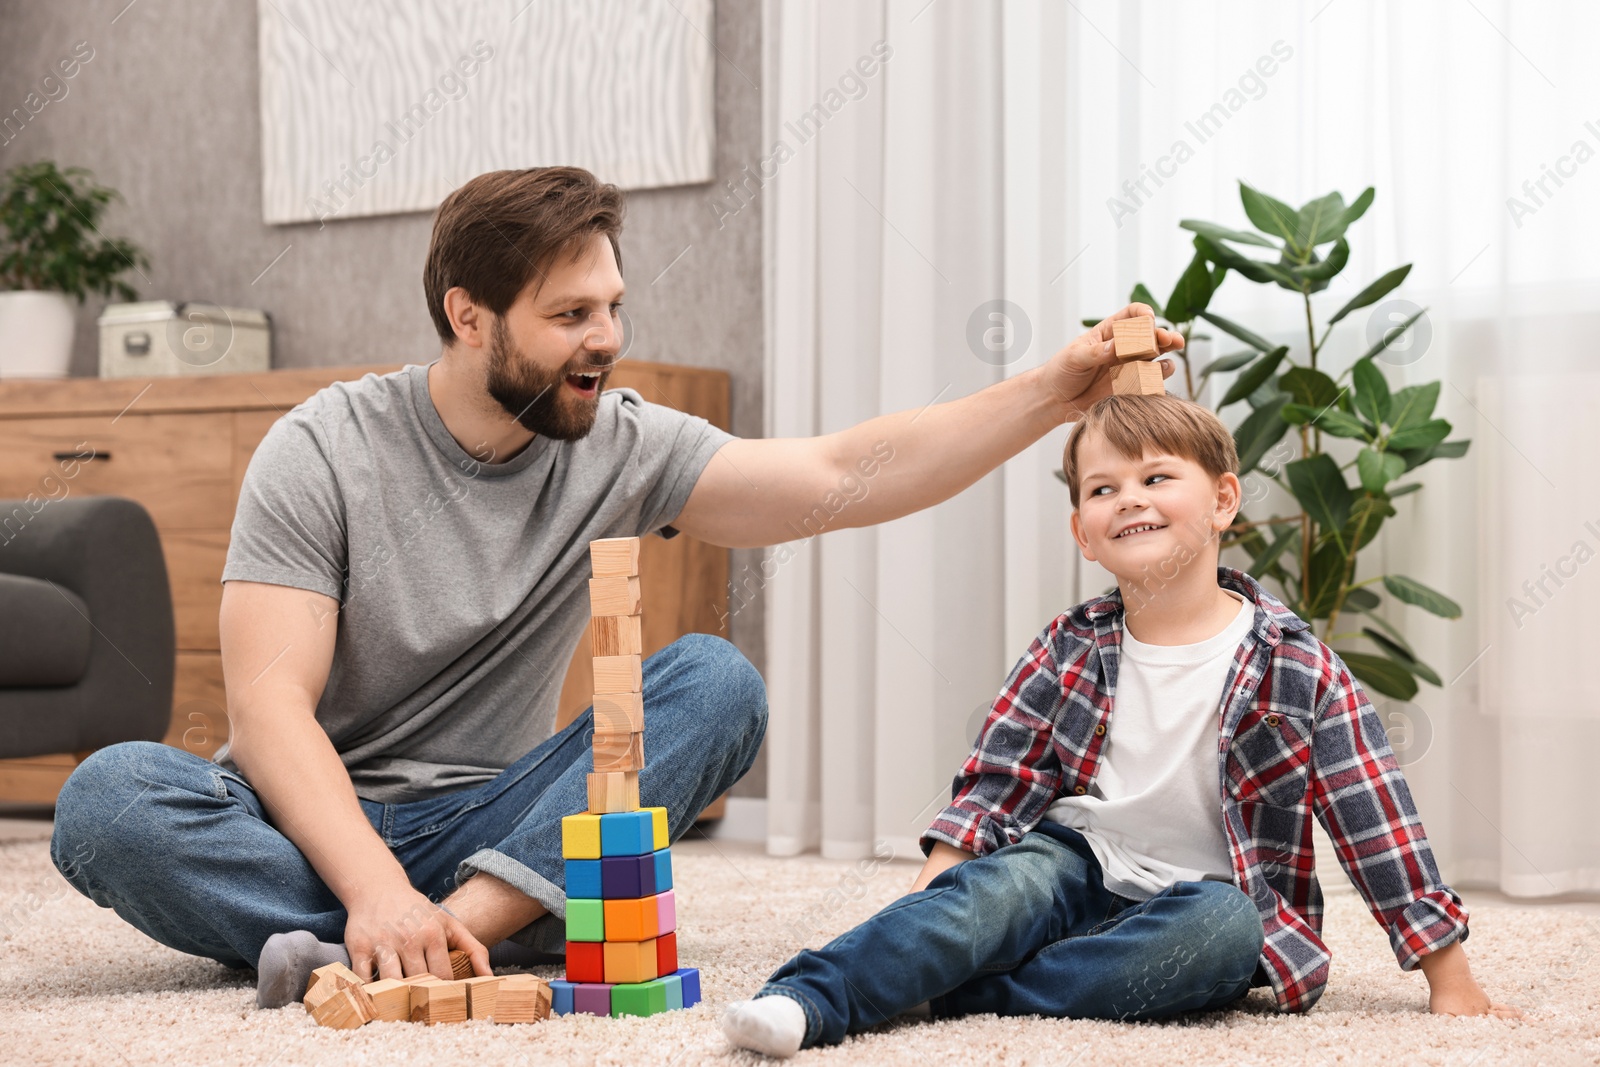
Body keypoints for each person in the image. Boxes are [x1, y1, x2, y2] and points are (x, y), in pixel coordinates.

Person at [48, 166, 1182, 1008]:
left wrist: (1052, 387)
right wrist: (374, 885)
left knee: (714, 679)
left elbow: (840, 475)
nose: (609, 340)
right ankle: (474, 926)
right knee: (111, 798)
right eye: (572, 315)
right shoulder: (325, 445)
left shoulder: (621, 442)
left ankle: (437, 936)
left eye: (614, 306)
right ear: (468, 316)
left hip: (493, 811)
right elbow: (268, 711)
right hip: (309, 818)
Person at [722, 392, 1522, 1057]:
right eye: (1102, 489)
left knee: (1222, 932)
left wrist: (1447, 975)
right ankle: (811, 998)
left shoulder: (1297, 664)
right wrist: (941, 893)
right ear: (1083, 531)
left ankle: (977, 992)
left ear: (1222, 501)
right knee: (991, 896)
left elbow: (1372, 813)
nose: (1129, 497)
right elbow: (999, 779)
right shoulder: (1071, 644)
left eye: (1156, 476)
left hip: (1205, 895)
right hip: (1074, 860)